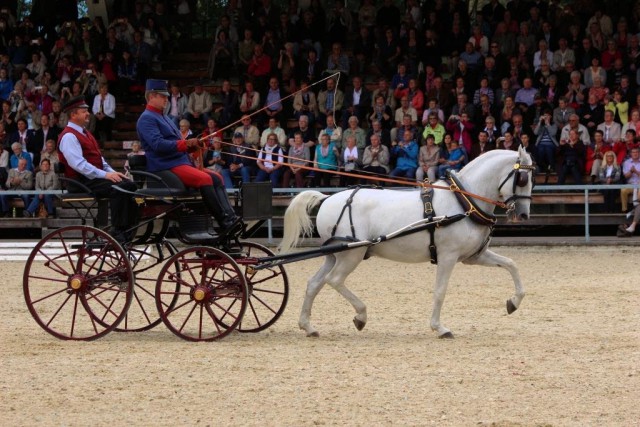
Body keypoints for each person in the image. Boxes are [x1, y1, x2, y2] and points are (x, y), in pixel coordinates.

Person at [136, 79, 240, 235]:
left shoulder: (163, 117)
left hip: (178, 161)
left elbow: (177, 143)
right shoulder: (146, 118)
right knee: (205, 179)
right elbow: (158, 145)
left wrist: (193, 146)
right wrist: (185, 145)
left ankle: (230, 216)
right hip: (165, 165)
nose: (166, 99)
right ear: (151, 96)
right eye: (162, 96)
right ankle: (223, 221)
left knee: (217, 177)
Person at [57, 95, 138, 241]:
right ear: (73, 114)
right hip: (80, 180)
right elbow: (78, 164)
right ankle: (118, 229)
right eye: (83, 111)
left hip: (91, 178)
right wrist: (105, 175)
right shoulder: (69, 136)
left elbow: (99, 160)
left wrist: (113, 173)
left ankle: (129, 227)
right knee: (119, 189)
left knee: (129, 184)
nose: (88, 113)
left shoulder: (85, 133)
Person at [620, 147, 640, 212]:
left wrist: (636, 171)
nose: (635, 154)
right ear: (631, 154)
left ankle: (638, 211)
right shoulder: (626, 162)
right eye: (633, 152)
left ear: (639, 153)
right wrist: (631, 171)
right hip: (631, 184)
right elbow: (625, 176)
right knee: (623, 190)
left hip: (639, 185)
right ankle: (624, 210)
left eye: (636, 152)